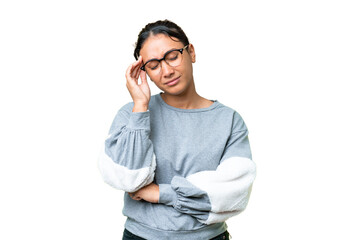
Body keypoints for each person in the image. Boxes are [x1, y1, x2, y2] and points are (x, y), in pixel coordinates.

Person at [98, 19, 256, 240]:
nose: (166, 71)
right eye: (153, 65)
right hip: (140, 236)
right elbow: (127, 179)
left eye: (172, 56)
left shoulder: (228, 120)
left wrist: (160, 193)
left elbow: (233, 192)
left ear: (190, 52)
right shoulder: (132, 115)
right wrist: (141, 107)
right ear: (144, 72)